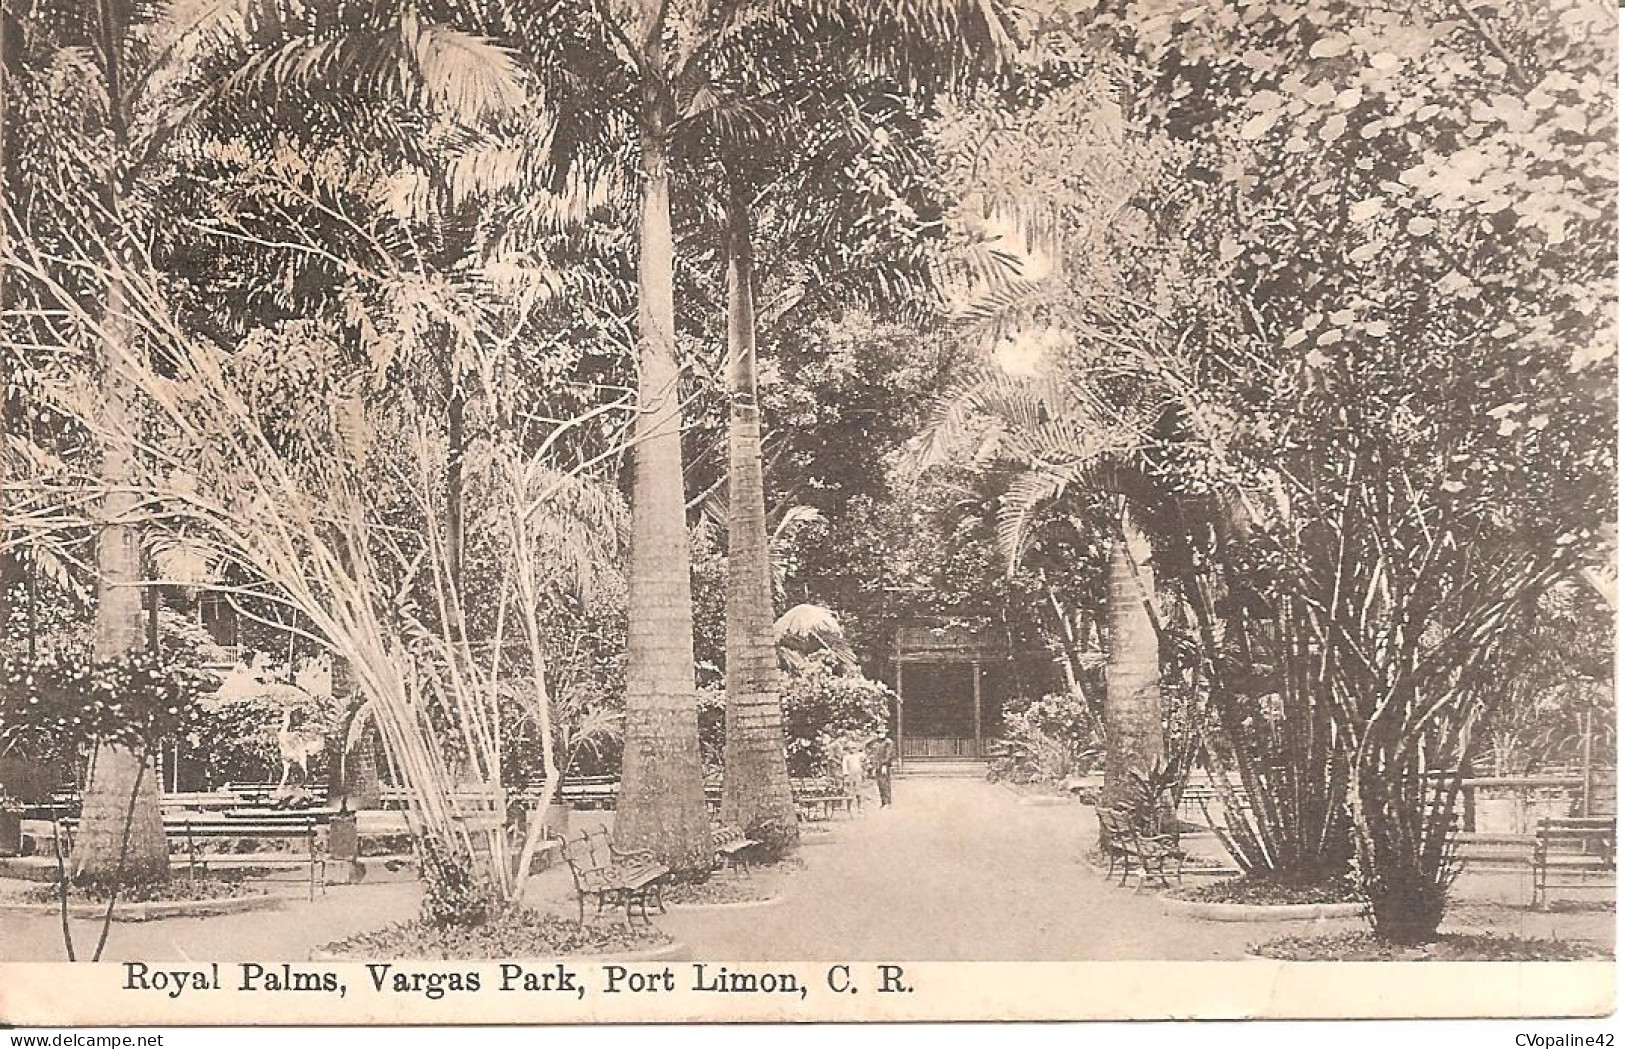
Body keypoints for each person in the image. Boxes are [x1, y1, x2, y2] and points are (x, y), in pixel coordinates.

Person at [867, 731, 896, 808]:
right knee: (879, 783)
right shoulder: (877, 742)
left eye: (882, 732)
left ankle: (887, 802)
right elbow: (869, 747)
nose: (880, 734)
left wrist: (884, 764)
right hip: (877, 765)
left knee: (885, 783)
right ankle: (883, 802)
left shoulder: (888, 742)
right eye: (879, 732)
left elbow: (888, 754)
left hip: (884, 765)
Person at [840, 744, 866, 809]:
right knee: (849, 792)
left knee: (858, 791)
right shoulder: (846, 757)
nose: (853, 750)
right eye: (851, 748)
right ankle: (849, 807)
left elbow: (863, 762)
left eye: (854, 748)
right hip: (850, 776)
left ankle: (860, 807)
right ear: (848, 749)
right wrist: (846, 776)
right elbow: (845, 767)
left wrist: (863, 773)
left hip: (857, 775)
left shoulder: (858, 756)